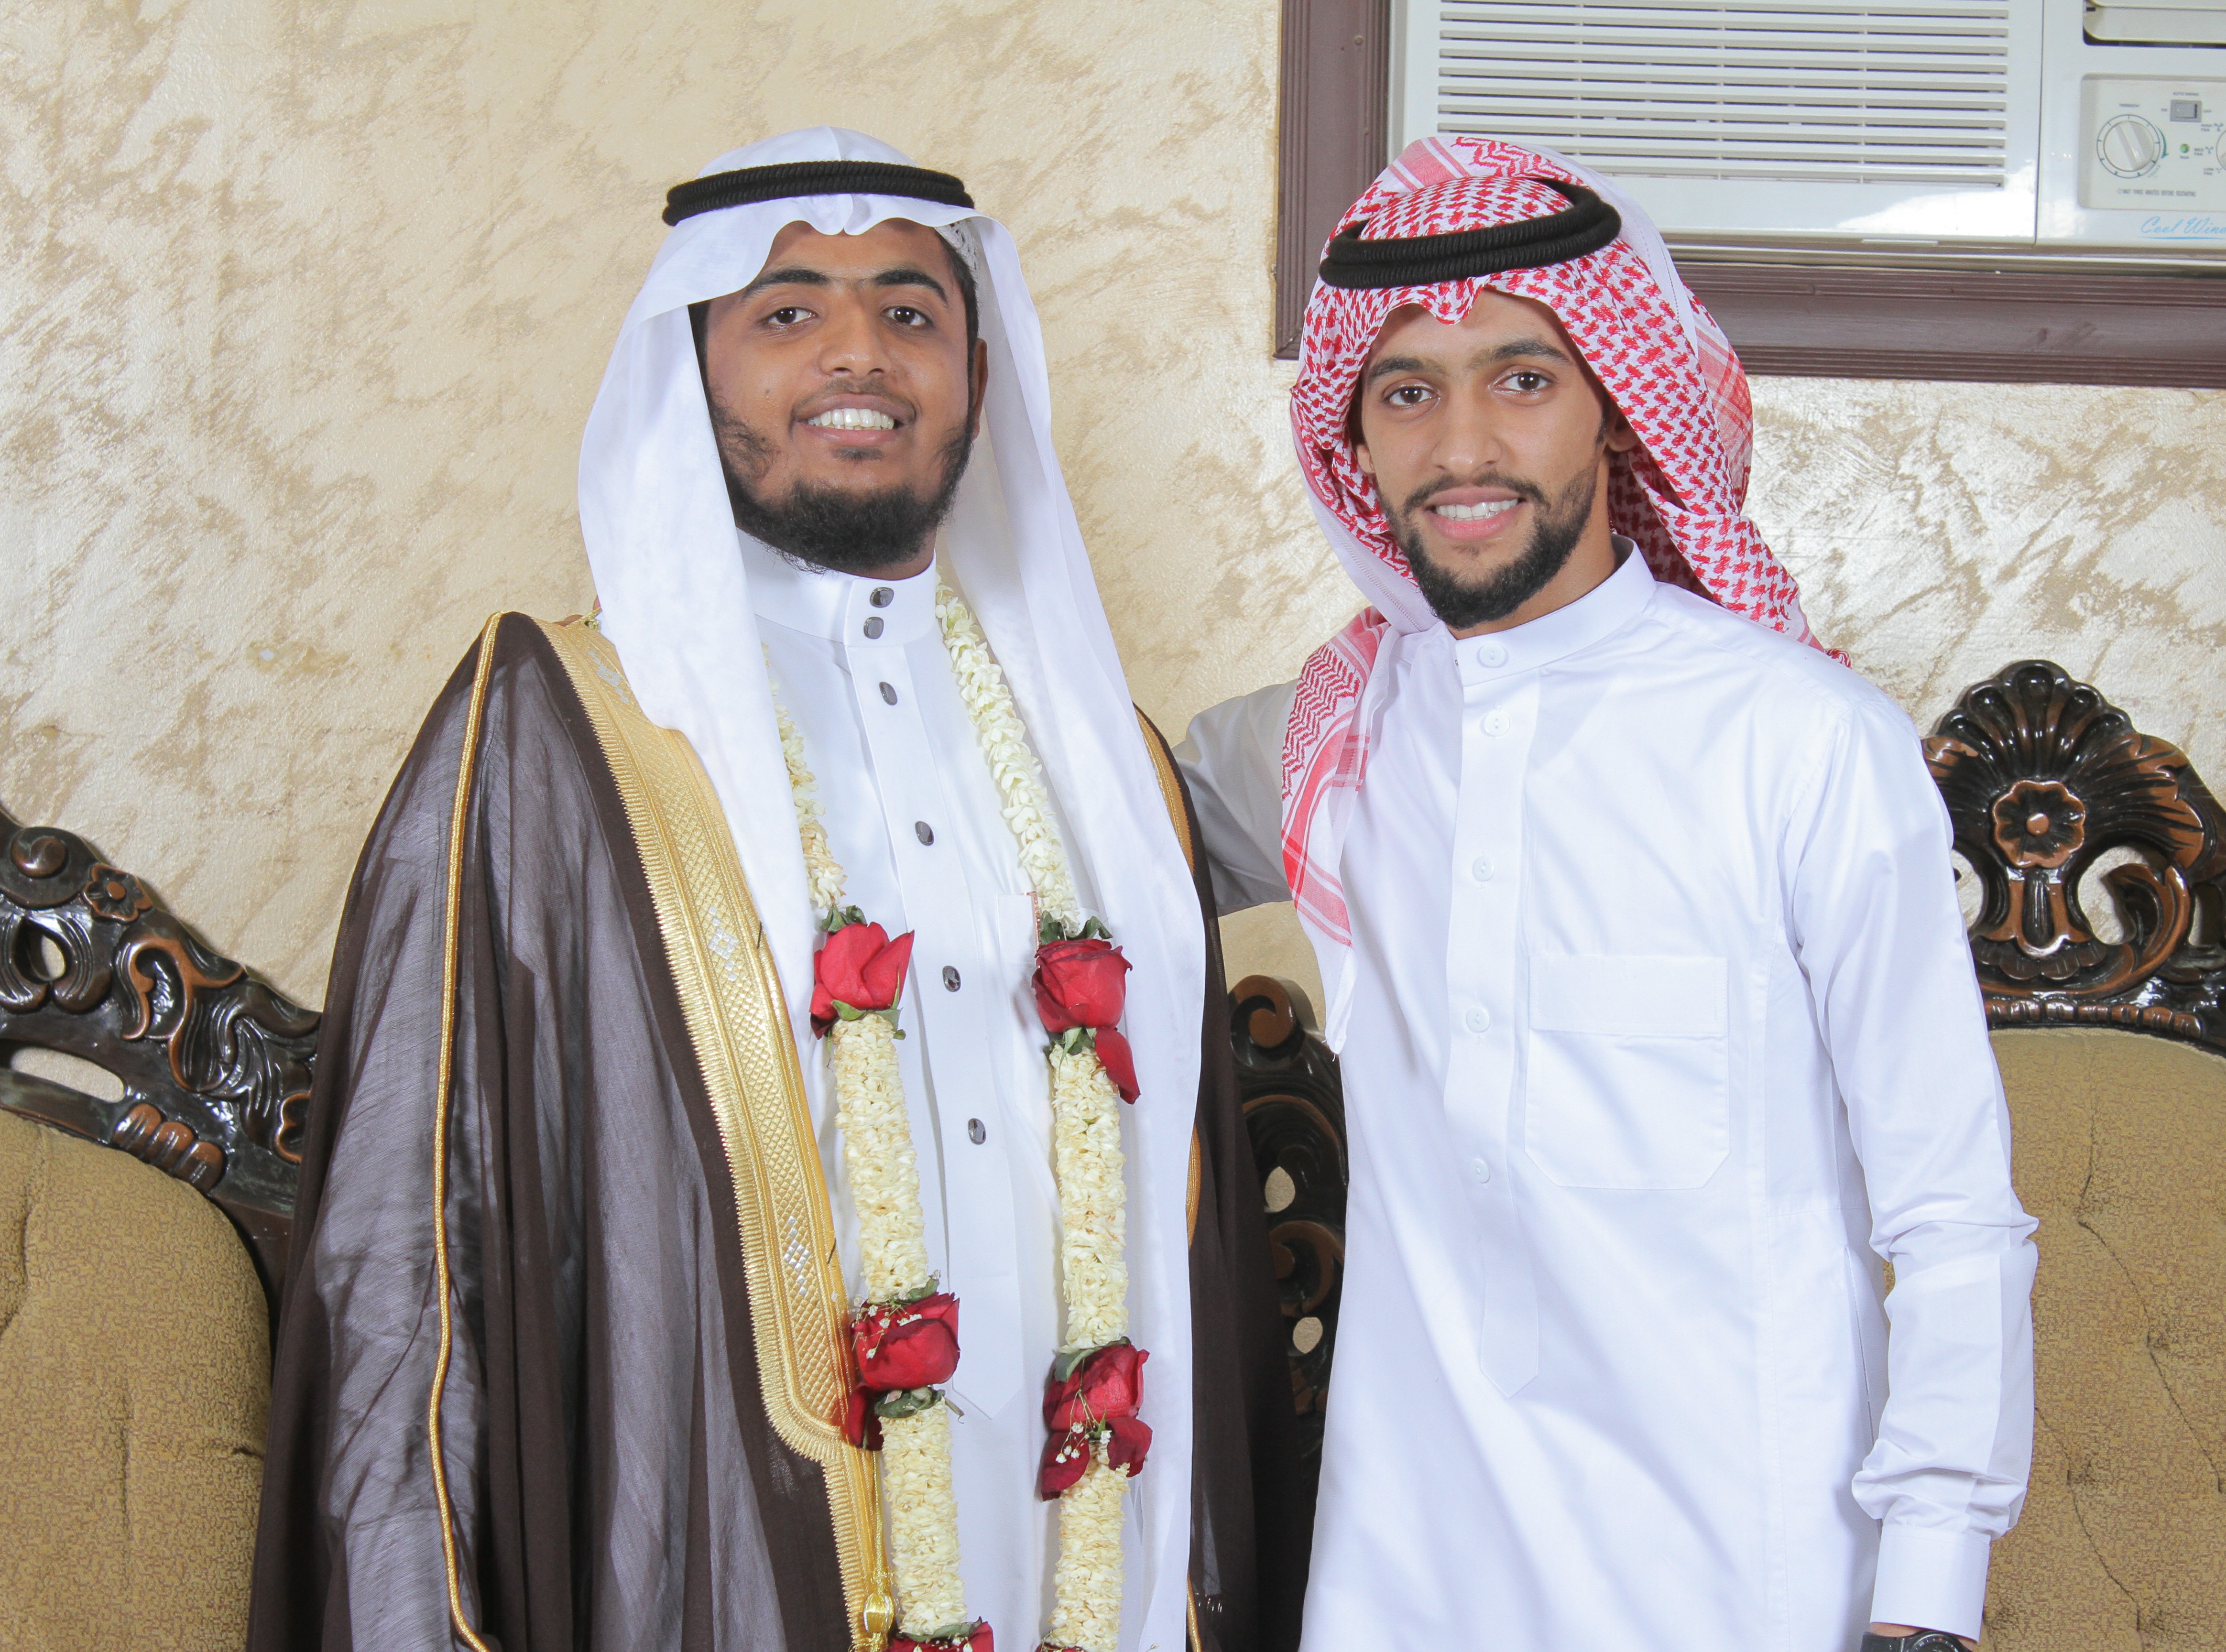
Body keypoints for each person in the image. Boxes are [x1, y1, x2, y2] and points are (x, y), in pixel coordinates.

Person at [246, 128, 1299, 1652]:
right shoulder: (562, 734)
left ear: (978, 378)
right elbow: (412, 1261)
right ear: (693, 370)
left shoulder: (1099, 761)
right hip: (724, 1561)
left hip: (1086, 1560)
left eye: (910, 310)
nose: (856, 351)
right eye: (788, 311)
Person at [1175, 136, 2038, 1652]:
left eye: (1522, 379)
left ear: (1615, 407)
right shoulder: (1337, 735)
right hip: (1409, 1582)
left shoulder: (1800, 741)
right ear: (1353, 441)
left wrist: (1929, 1595)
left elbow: (1953, 1208)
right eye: (1406, 392)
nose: (1461, 446)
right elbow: (1075, 826)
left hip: (1745, 1584)